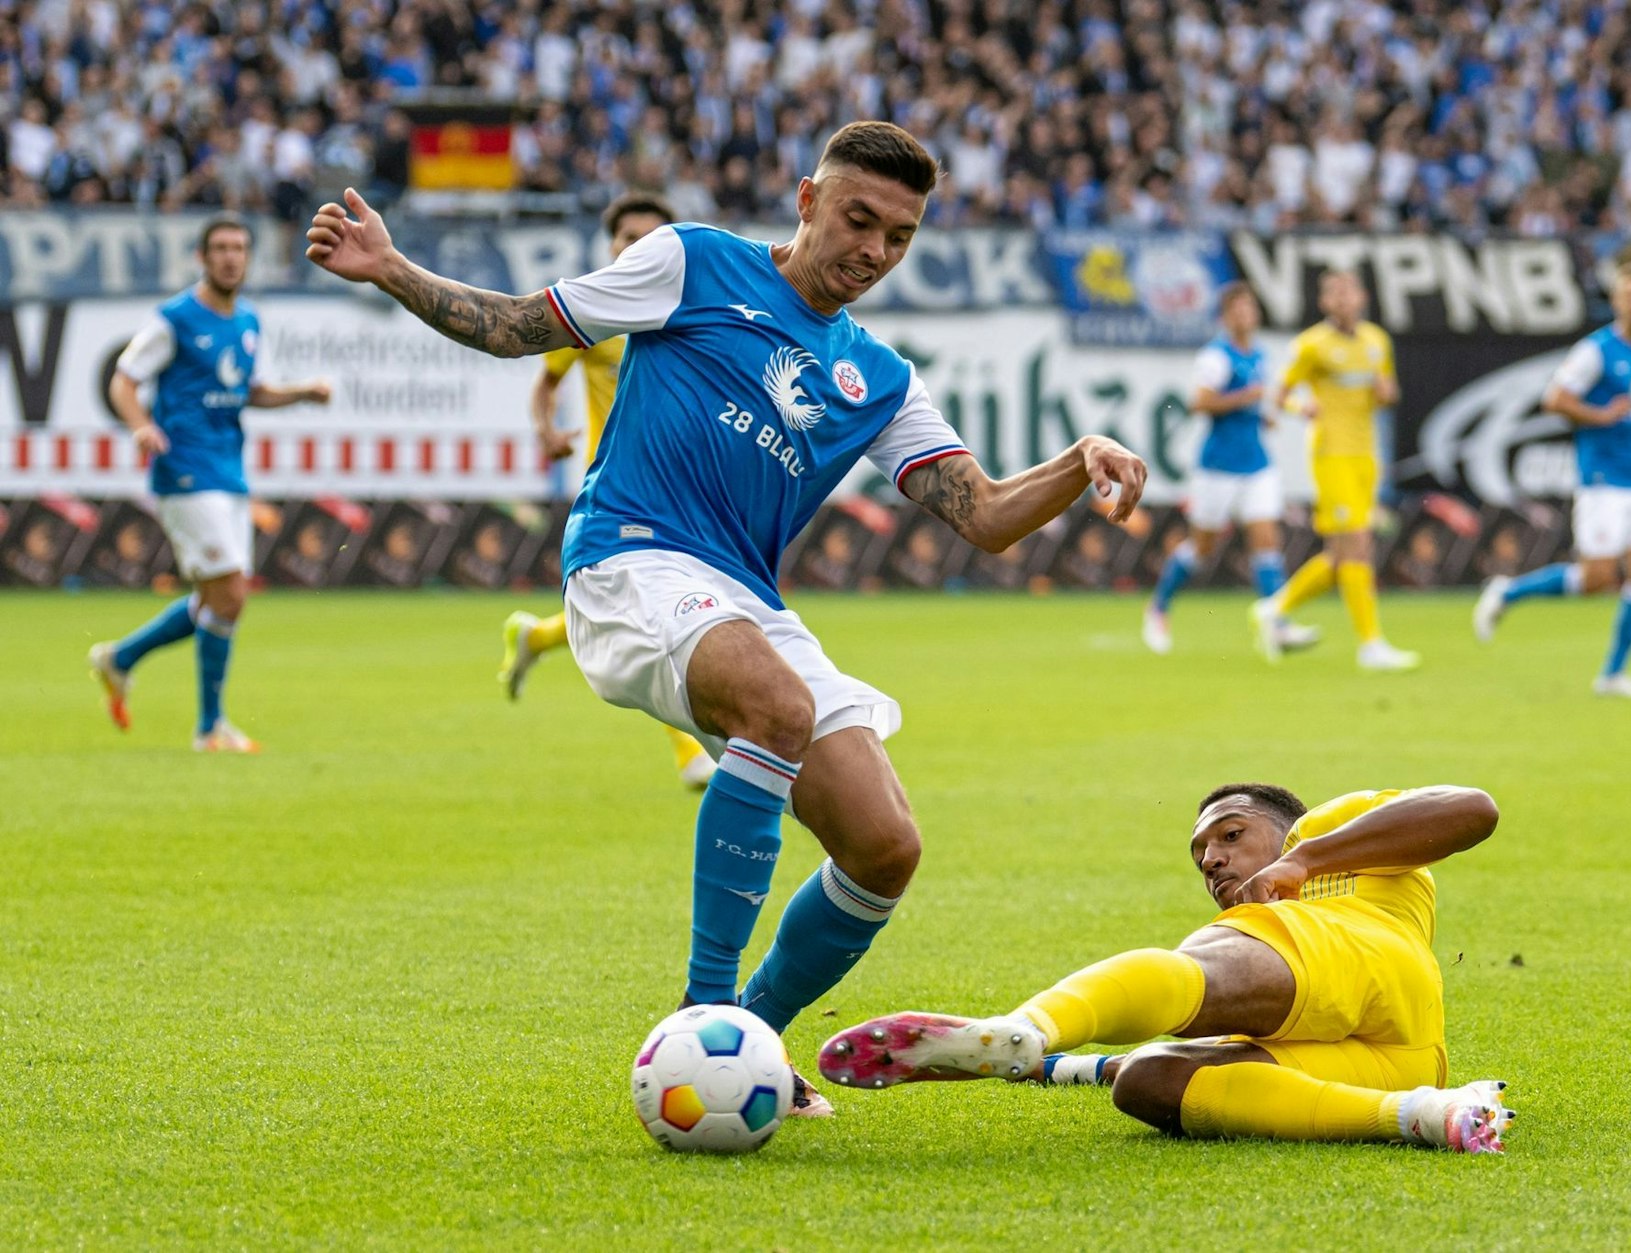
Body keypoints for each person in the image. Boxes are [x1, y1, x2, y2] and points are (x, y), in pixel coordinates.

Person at [305, 121, 1148, 1114]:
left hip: (741, 597)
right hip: (625, 557)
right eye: (857, 219)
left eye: (899, 237)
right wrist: (393, 267)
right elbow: (515, 326)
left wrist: (1076, 456)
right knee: (776, 707)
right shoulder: (691, 262)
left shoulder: (876, 378)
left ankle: (742, 1038)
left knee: (884, 844)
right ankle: (698, 1015)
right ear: (806, 201)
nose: (872, 251)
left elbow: (989, 516)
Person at [818, 783, 1513, 1154]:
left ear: (1285, 824)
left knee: (1195, 975)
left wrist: (1302, 858)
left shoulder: (1325, 832)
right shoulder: (1268, 927)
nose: (1212, 857)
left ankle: (1025, 1025)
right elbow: (1133, 1065)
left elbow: (1473, 809)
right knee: (1152, 1078)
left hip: (1363, 954)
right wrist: (1057, 1071)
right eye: (1201, 853)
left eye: (1232, 834)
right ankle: (1428, 1116)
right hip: (1410, 1057)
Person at [495, 191, 714, 788]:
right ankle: (691, 753)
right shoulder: (595, 313)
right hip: (616, 486)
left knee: (641, 606)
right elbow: (544, 383)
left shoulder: (692, 312)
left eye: (652, 237)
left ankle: (534, 636)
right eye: (627, 237)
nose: (637, 247)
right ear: (610, 245)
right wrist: (545, 431)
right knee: (655, 610)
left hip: (683, 486)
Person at [90, 216, 331, 751]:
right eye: (220, 248)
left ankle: (119, 659)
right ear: (203, 257)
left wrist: (301, 394)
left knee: (220, 600)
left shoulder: (248, 321)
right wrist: (140, 427)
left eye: (239, 249)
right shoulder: (174, 318)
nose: (230, 257)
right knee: (230, 594)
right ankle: (209, 728)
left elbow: (254, 391)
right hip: (184, 468)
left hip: (229, 470)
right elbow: (124, 379)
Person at [1473, 262, 1631, 699]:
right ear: (1617, 301)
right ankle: (1509, 592)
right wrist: (1600, 415)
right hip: (1603, 478)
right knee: (1598, 579)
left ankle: (1613, 673)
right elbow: (1554, 398)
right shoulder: (1597, 351)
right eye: (1629, 296)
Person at [1254, 271, 1420, 672]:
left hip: (1366, 456)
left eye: (1350, 292)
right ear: (1325, 303)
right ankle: (1370, 644)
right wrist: (1301, 408)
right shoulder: (1311, 345)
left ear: (1362, 297)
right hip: (1332, 454)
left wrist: (1386, 394)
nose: (1345, 300)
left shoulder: (1376, 341)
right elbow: (1279, 394)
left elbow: (1388, 392)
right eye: (1336, 294)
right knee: (1359, 545)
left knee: (1340, 557)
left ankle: (1273, 608)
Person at [1142, 282, 1316, 657]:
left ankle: (1277, 622)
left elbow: (1258, 401)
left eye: (1250, 307)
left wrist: (1263, 416)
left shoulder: (1258, 354)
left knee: (1266, 538)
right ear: (1225, 317)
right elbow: (1199, 402)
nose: (1245, 314)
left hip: (1256, 464)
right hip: (1218, 467)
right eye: (1237, 309)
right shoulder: (1215, 357)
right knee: (1202, 548)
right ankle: (1158, 607)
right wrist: (1243, 399)